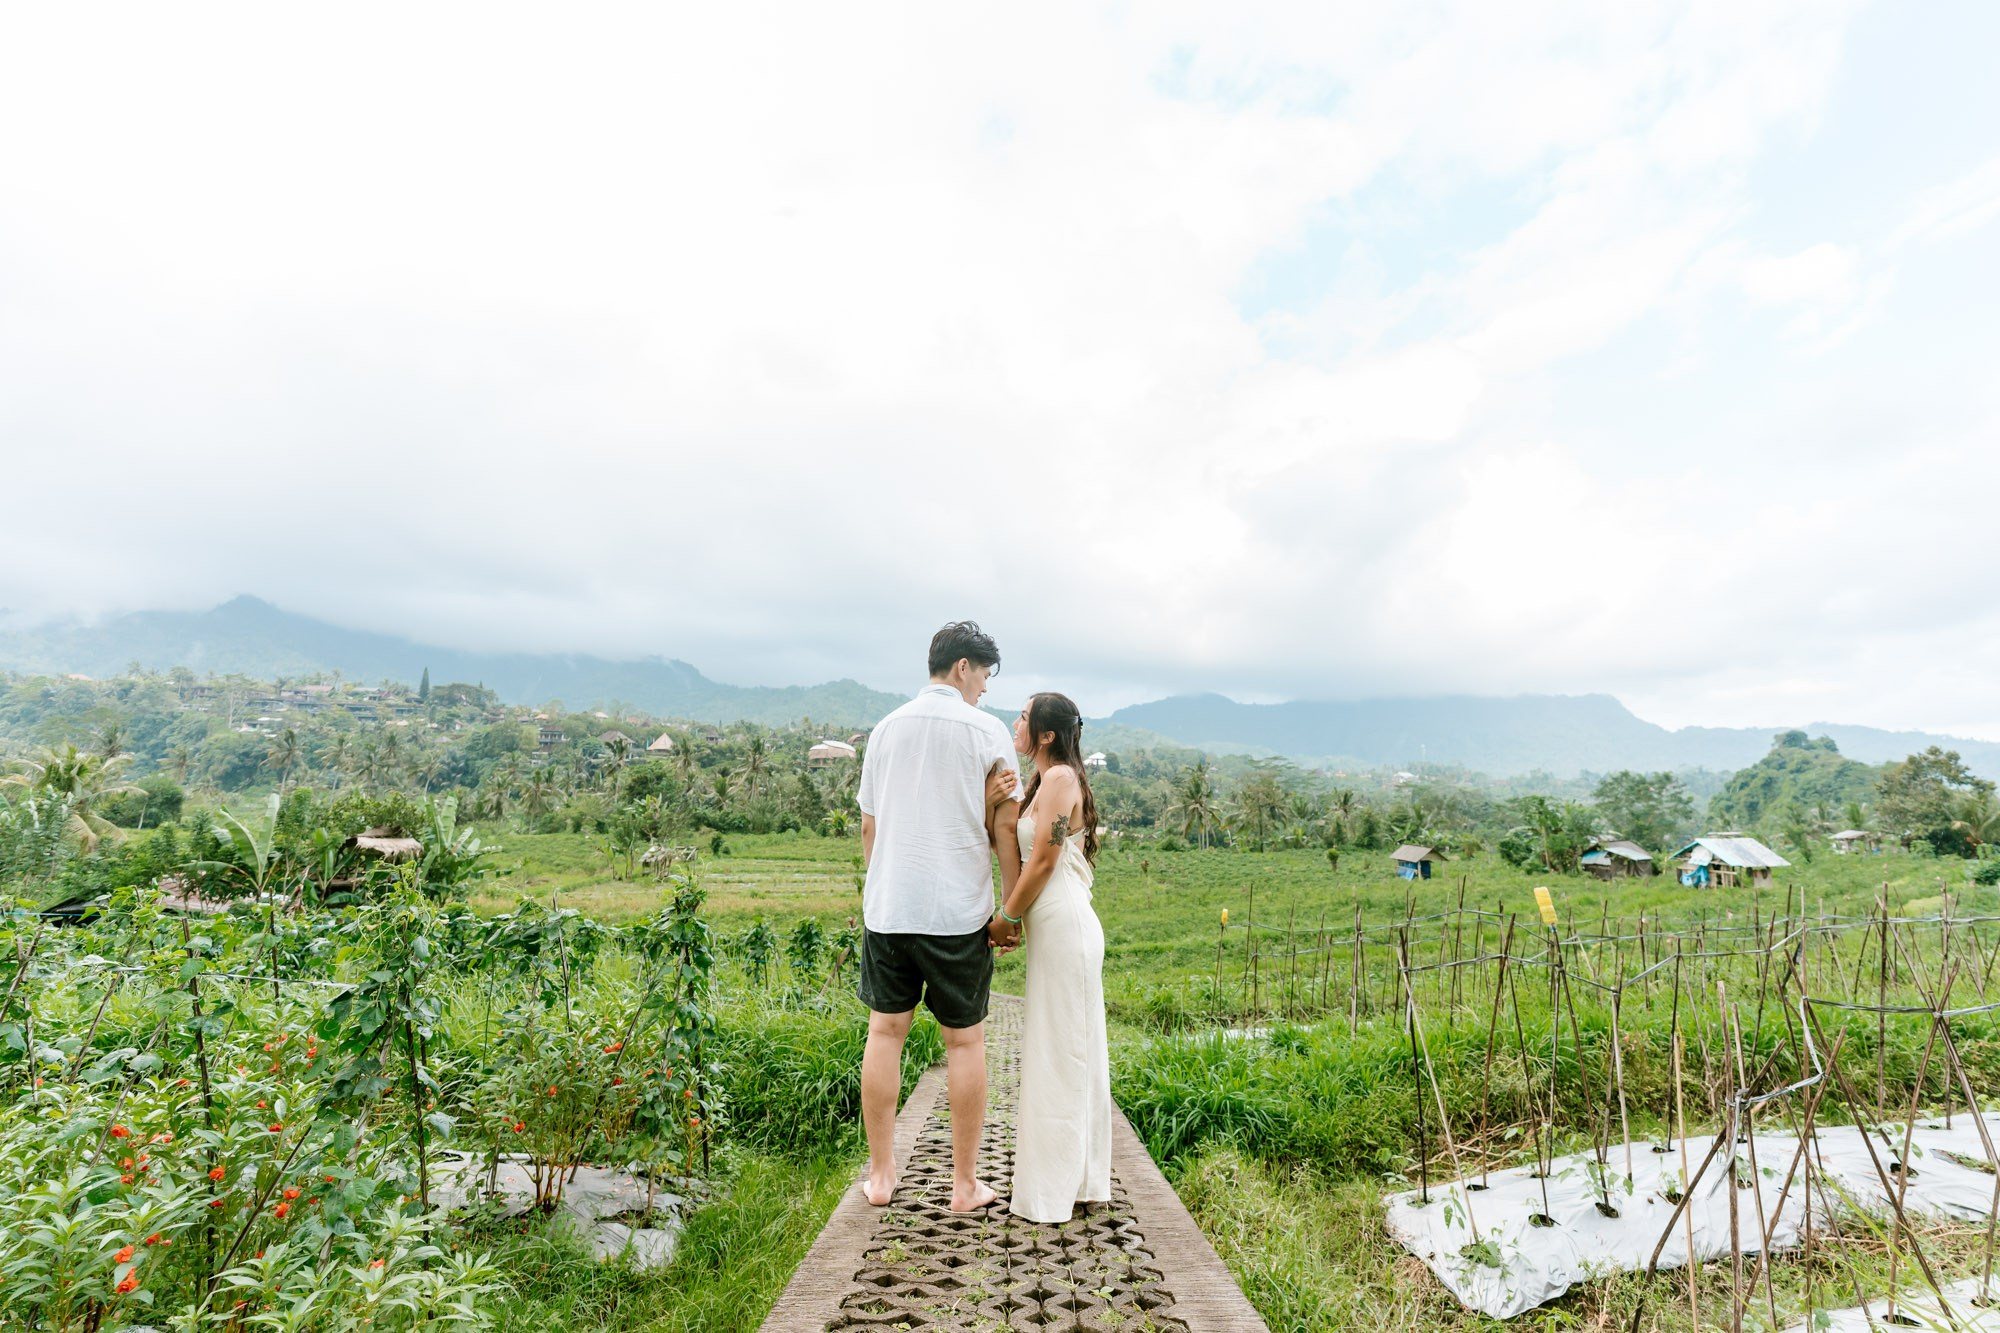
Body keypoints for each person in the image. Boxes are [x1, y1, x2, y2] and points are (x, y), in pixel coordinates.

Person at [855, 621, 1023, 1211]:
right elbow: (1003, 825)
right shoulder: (986, 730)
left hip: (890, 909)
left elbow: (870, 825)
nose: (983, 689)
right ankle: (964, 1185)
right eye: (983, 675)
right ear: (962, 668)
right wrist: (1010, 909)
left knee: (885, 1033)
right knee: (964, 1043)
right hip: (957, 913)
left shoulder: (885, 729)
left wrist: (878, 894)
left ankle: (880, 1178)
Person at [986, 691, 1111, 1224]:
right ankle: (1074, 1181)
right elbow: (1014, 852)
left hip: (1065, 926)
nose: (1015, 722)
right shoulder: (1040, 786)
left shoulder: (1060, 780)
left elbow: (1046, 860)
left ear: (1046, 734)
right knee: (1060, 1050)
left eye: (1023, 716)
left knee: (1064, 1054)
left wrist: (1007, 918)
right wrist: (998, 805)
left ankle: (1057, 1188)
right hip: (1052, 929)